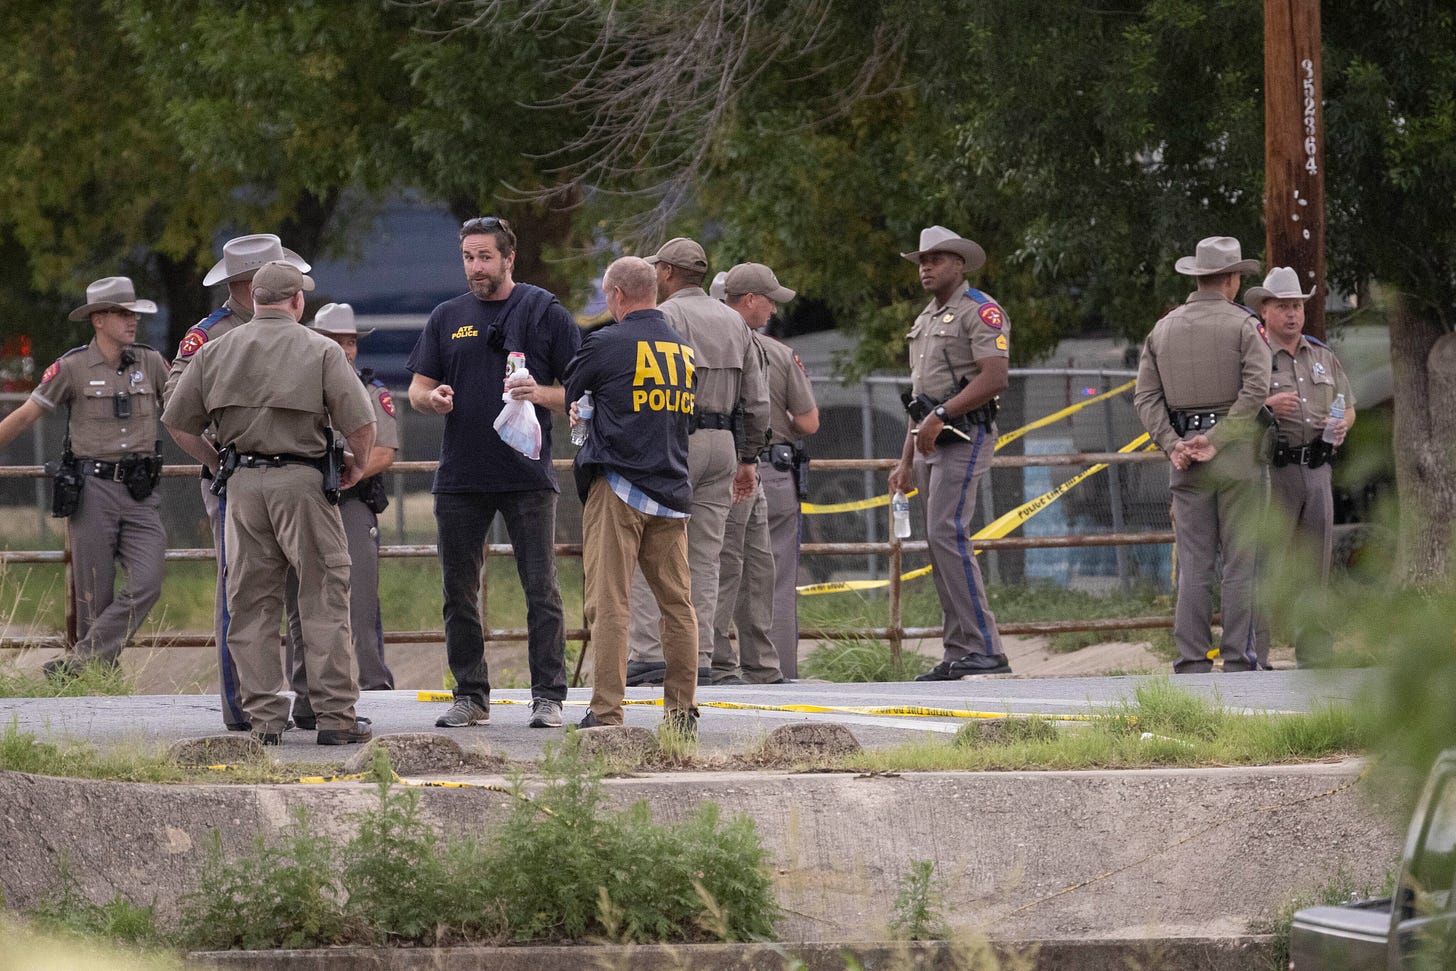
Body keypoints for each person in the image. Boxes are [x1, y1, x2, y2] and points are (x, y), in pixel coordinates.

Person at [163, 261, 376, 745]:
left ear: (253, 300)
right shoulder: (321, 350)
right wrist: (355, 465)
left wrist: (217, 464)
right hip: (302, 483)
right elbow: (362, 423)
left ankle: (263, 721)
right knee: (322, 595)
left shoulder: (215, 350)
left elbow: (177, 423)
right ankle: (335, 719)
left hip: (242, 486)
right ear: (298, 302)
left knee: (251, 604)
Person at [406, 216, 578, 730]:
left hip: (526, 475)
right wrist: (429, 399)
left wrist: (540, 394)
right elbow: (417, 387)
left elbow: (579, 391)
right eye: (468, 258)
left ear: (508, 259)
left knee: (540, 587)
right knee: (458, 590)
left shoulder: (544, 311)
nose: (475, 268)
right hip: (461, 475)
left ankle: (547, 696)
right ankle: (470, 694)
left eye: (485, 257)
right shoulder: (446, 315)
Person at [163, 233, 312, 732]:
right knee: (242, 591)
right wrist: (217, 461)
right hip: (238, 475)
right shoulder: (210, 336)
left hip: (298, 473)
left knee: (307, 588)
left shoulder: (291, 326)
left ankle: (309, 698)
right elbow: (177, 407)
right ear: (249, 284)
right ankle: (244, 706)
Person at [0, 277, 168, 680]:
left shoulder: (151, 362)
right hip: (93, 491)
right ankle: (97, 686)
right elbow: (25, 415)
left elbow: (184, 410)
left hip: (141, 491)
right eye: (123, 313)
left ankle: (77, 664)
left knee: (148, 580)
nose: (132, 322)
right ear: (98, 319)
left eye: (134, 313)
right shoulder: (72, 367)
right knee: (94, 595)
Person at [623, 238, 770, 687]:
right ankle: (700, 655)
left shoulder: (665, 317)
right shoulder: (734, 322)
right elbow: (757, 401)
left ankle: (649, 653)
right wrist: (748, 457)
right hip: (723, 442)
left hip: (675, 440)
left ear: (666, 272)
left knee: (653, 547)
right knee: (707, 556)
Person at [563, 256, 699, 731]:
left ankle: (606, 710)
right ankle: (682, 711)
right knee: (677, 605)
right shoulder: (683, 351)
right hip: (671, 491)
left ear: (617, 295)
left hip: (618, 486)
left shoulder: (604, 344)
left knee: (610, 601)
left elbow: (572, 398)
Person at [1134, 236, 1272, 674]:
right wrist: (1220, 437)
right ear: (1232, 279)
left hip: (1184, 456)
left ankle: (1191, 659)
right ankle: (1238, 659)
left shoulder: (1163, 328)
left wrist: (1172, 442)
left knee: (1194, 563)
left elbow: (1145, 397)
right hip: (1236, 458)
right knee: (1239, 562)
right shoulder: (1244, 325)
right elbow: (1256, 389)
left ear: (1196, 277)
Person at [888, 226, 1011, 680]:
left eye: (935, 259)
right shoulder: (925, 318)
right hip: (929, 439)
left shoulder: (980, 311)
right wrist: (904, 462)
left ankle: (985, 647)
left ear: (959, 264)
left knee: (947, 533)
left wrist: (943, 411)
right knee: (939, 542)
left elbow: (995, 377)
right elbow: (919, 398)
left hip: (966, 434)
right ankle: (960, 648)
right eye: (922, 260)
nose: (926, 267)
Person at [286, 303, 398, 728]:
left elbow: (385, 452)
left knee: (360, 599)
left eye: (350, 341)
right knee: (302, 600)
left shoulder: (370, 389)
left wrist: (345, 475)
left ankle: (373, 685)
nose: (346, 349)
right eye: (336, 341)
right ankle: (309, 693)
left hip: (350, 502)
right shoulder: (299, 384)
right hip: (306, 501)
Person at [714, 262, 819, 682]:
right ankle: (774, 671)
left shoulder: (698, 345)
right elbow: (809, 422)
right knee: (770, 577)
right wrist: (779, 430)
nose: (774, 309)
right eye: (770, 301)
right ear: (750, 301)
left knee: (714, 568)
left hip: (714, 465)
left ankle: (713, 663)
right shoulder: (776, 352)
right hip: (769, 469)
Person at [1248, 267, 1355, 667]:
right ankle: (1254, 654)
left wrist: (1342, 424)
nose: (1292, 314)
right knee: (1267, 562)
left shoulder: (1322, 355)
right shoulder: (1255, 356)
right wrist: (1267, 407)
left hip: (1318, 468)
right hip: (1273, 471)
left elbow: (1349, 404)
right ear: (1264, 310)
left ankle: (1315, 653)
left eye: (1297, 306)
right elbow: (1235, 410)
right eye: (1282, 307)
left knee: (1316, 563)